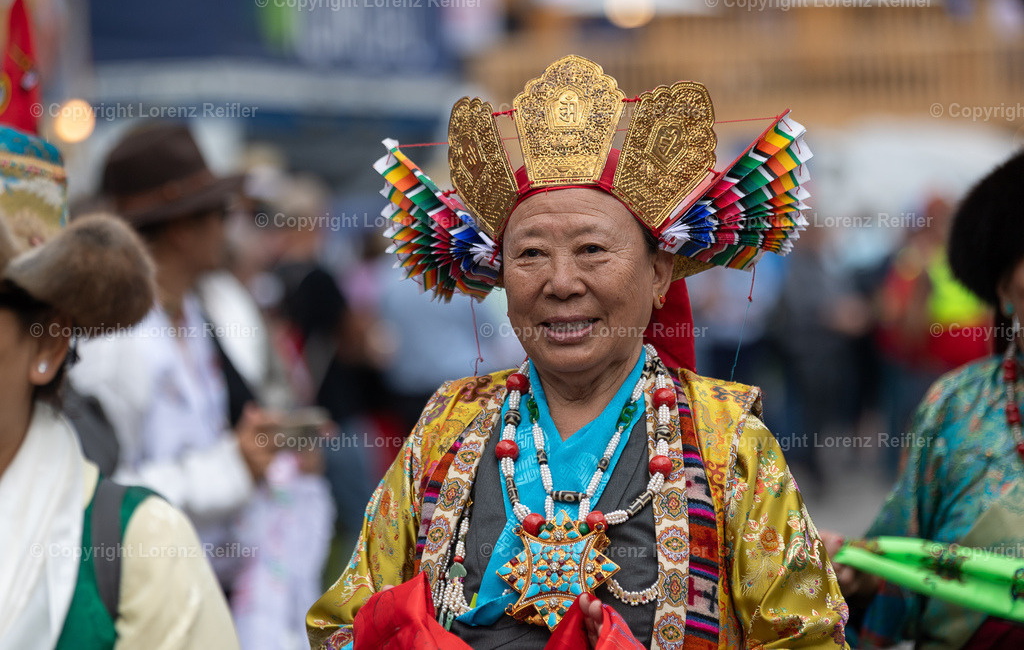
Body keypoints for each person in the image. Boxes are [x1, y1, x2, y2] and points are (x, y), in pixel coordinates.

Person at [307, 55, 848, 648]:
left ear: (659, 272)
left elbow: (807, 638)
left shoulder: (728, 444)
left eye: (592, 249)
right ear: (502, 276)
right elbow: (346, 624)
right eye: (531, 254)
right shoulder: (445, 428)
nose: (560, 282)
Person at [0, 125, 238, 648]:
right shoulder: (130, 342)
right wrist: (234, 468)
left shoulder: (140, 544)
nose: (229, 227)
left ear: (47, 347)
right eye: (218, 212)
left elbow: (114, 469)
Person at [823, 152, 1024, 648]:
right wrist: (861, 573)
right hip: (919, 369)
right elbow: (901, 566)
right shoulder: (956, 410)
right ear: (1005, 288)